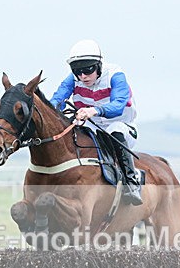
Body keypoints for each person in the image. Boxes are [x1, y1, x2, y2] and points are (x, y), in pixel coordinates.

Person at [49, 39, 142, 205]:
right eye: (77, 71)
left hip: (121, 125)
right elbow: (56, 100)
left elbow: (118, 106)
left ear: (99, 65)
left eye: (88, 70)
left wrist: (94, 110)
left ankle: (131, 181)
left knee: (115, 129)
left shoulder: (115, 75)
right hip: (91, 124)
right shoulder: (73, 79)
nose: (83, 76)